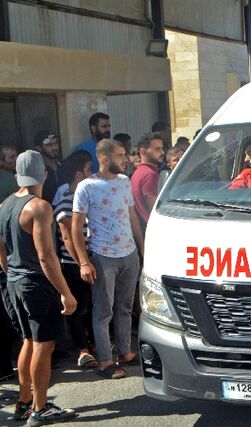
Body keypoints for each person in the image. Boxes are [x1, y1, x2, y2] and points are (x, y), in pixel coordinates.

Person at [0, 150, 77, 424]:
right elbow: (46, 255)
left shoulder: (5, 205)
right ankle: (40, 408)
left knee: (28, 342)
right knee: (43, 346)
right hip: (36, 284)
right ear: (43, 174)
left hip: (15, 282)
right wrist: (66, 293)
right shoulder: (39, 207)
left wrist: (12, 275)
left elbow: (2, 251)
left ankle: (24, 402)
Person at [72, 139, 144, 379]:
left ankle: (125, 352)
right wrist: (84, 261)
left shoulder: (125, 182)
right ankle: (105, 360)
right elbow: (76, 228)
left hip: (129, 254)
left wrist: (141, 247)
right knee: (103, 312)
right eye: (120, 155)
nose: (125, 159)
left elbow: (131, 214)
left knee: (124, 307)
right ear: (104, 158)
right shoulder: (86, 187)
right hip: (104, 257)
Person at [51, 150, 97, 371]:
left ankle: (93, 343)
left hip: (90, 259)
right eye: (89, 169)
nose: (92, 173)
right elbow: (68, 237)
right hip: (73, 264)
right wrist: (83, 263)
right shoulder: (65, 201)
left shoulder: (87, 198)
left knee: (90, 305)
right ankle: (82, 349)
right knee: (78, 308)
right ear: (78, 174)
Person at [131, 132, 165, 229]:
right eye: (157, 149)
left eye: (162, 148)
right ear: (143, 152)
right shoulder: (150, 174)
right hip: (149, 226)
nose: (162, 152)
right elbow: (153, 207)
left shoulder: (137, 172)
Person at [33, 131, 62, 205]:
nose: (55, 148)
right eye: (49, 145)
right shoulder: (37, 171)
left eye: (56, 143)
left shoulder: (63, 166)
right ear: (38, 148)